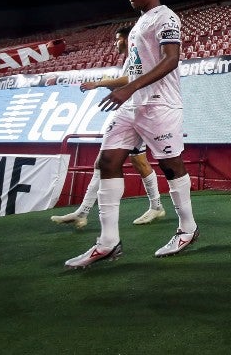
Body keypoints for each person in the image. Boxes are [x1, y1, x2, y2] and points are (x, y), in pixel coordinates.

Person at [64, 0, 198, 268]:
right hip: (132, 105)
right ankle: (108, 242)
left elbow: (171, 59)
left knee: (170, 165)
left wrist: (130, 89)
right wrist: (120, 88)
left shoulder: (166, 17)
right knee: (107, 162)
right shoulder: (139, 24)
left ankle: (188, 229)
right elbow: (134, 70)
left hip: (160, 104)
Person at [51, 26, 166, 228]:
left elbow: (132, 80)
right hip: (133, 112)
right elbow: (125, 83)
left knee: (106, 162)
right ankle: (155, 207)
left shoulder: (140, 54)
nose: (116, 43)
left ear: (129, 39)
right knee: (136, 162)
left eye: (119, 39)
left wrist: (99, 83)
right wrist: (109, 85)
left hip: (138, 112)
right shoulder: (131, 59)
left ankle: (86, 214)